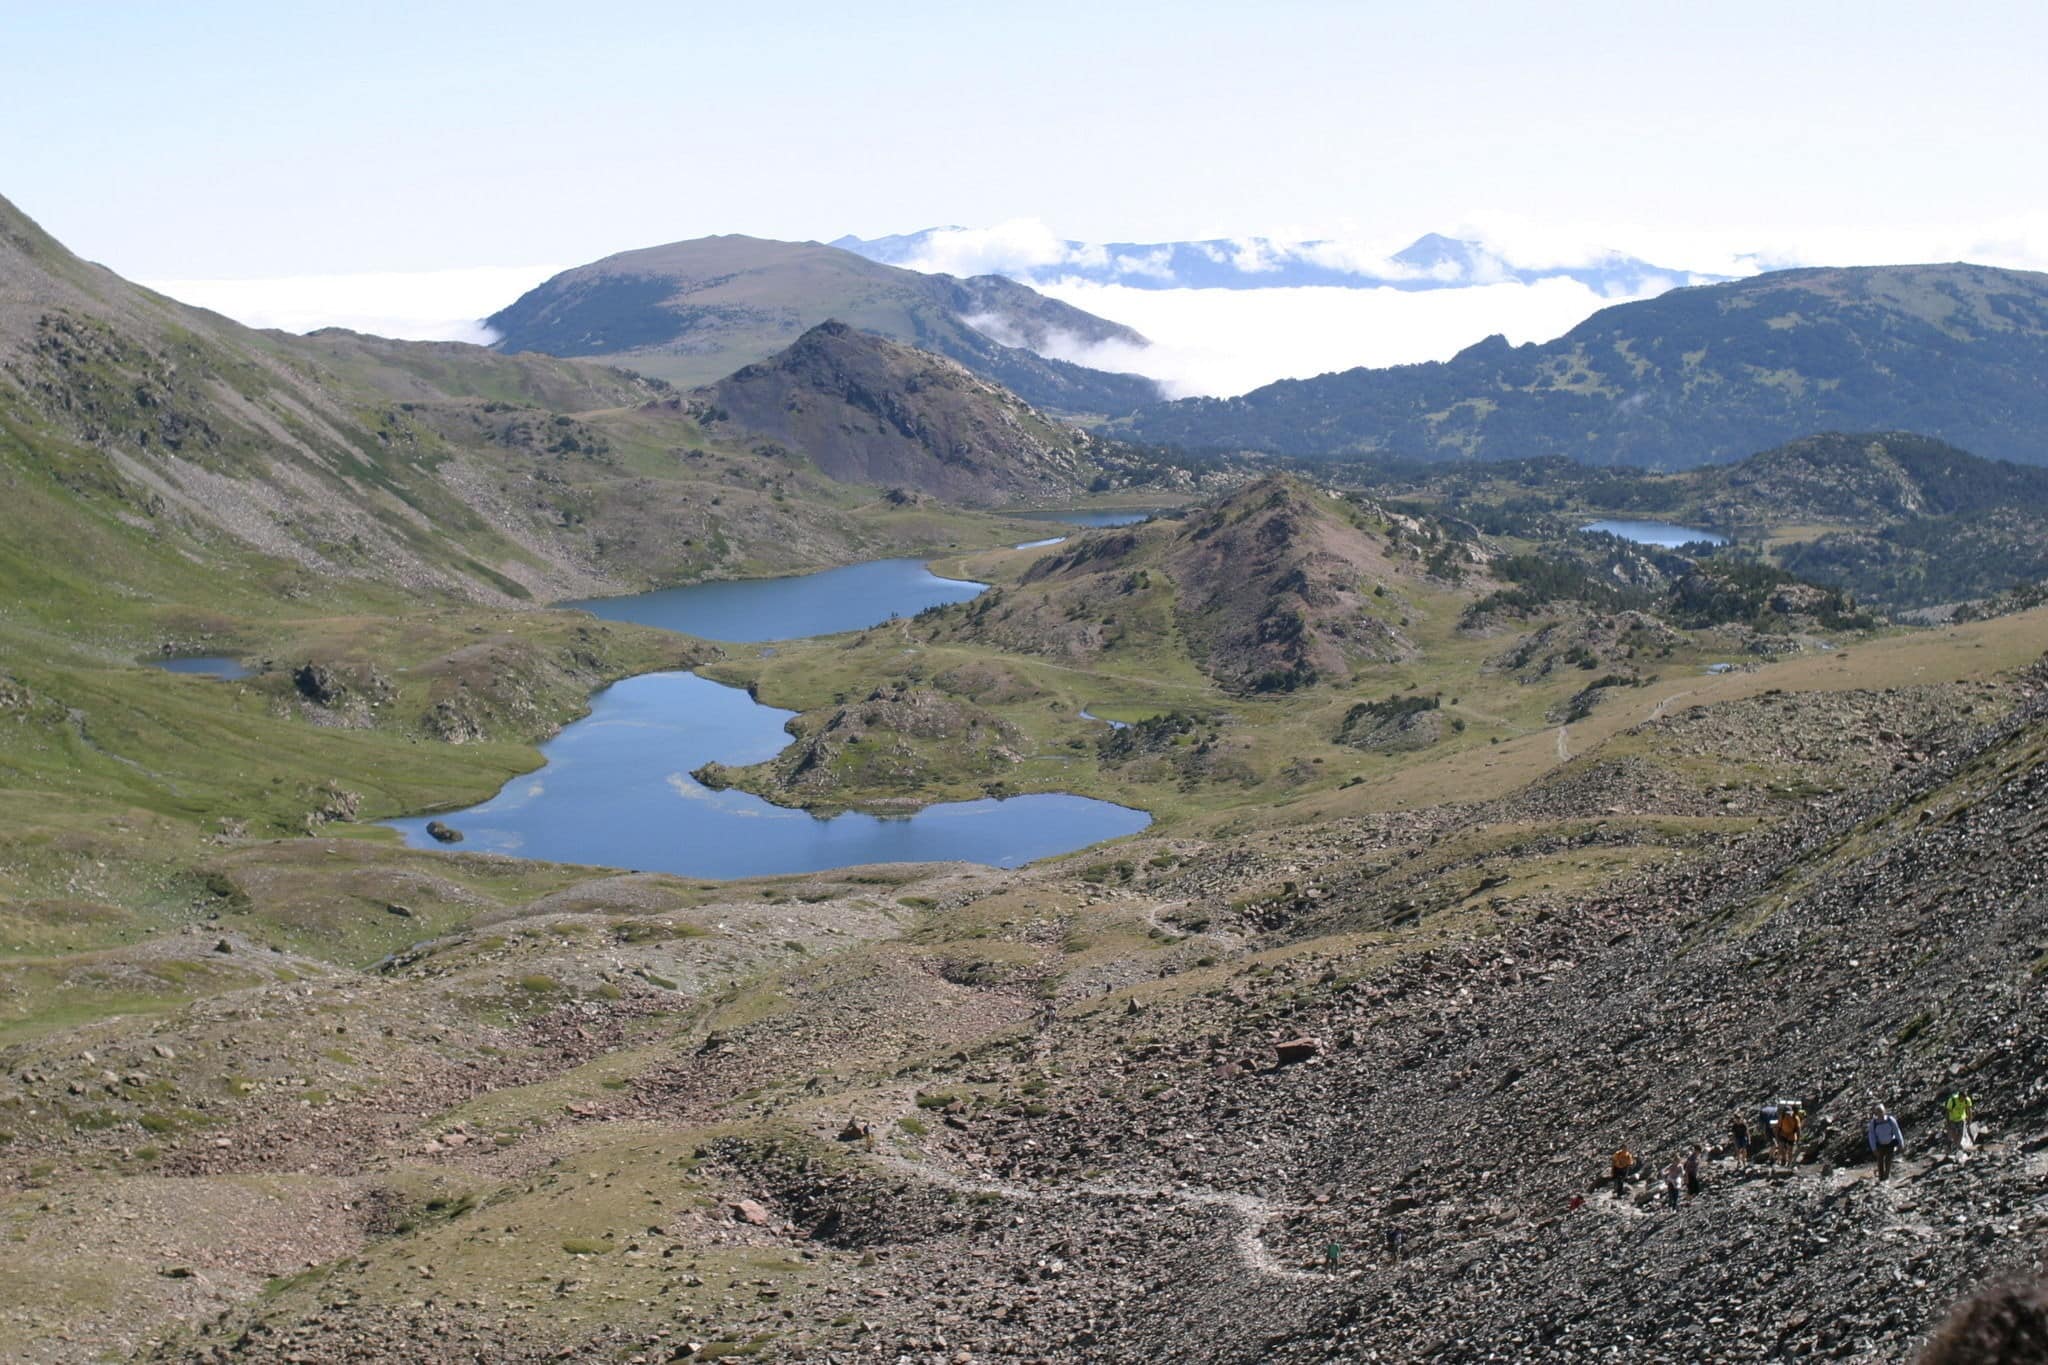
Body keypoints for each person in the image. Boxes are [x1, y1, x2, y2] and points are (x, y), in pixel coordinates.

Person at [1867, 1106, 1905, 1181]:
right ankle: (1881, 1178)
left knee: (1888, 1161)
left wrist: (1901, 1143)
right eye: (1878, 1112)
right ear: (1876, 1113)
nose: (1880, 1114)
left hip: (1890, 1143)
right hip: (1880, 1145)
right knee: (1880, 1161)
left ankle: (1886, 1177)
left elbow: (1897, 1131)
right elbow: (1872, 1136)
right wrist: (1874, 1148)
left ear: (1884, 1111)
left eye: (1881, 1111)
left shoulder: (1890, 1120)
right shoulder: (1874, 1123)